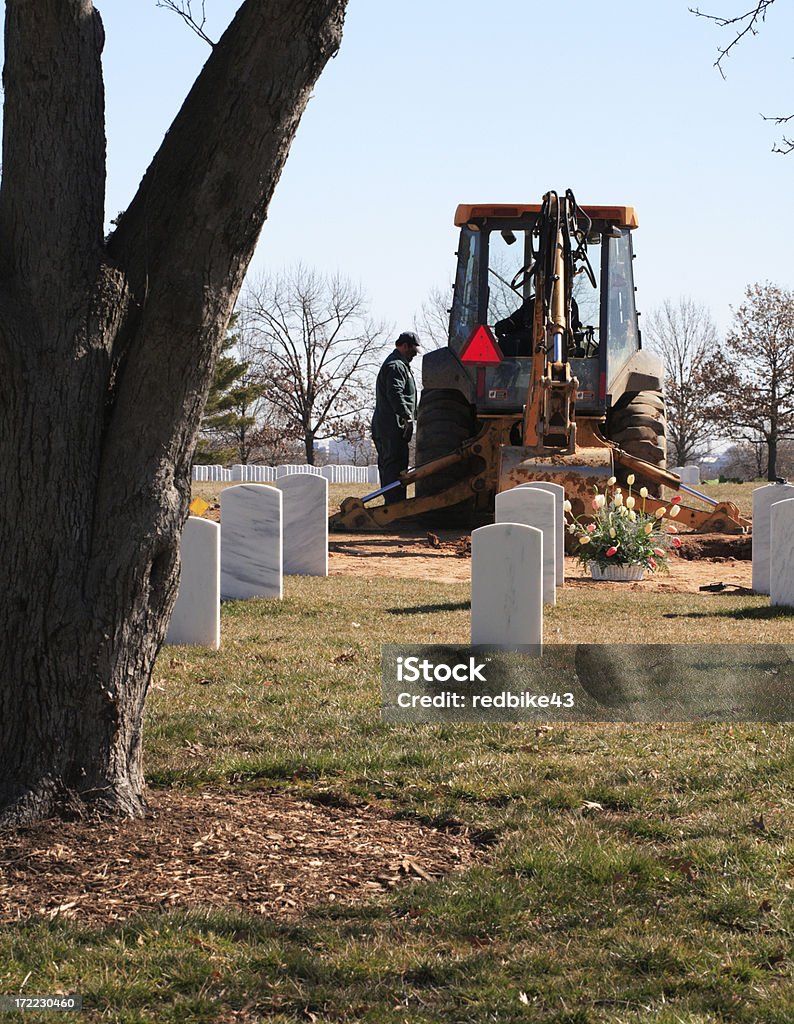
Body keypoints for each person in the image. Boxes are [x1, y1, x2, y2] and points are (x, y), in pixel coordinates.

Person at [371, 331, 420, 503]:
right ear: (404, 346)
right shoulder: (395, 366)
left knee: (397, 467)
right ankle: (393, 507)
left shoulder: (401, 365)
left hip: (393, 426)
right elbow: (395, 393)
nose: (413, 355)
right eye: (412, 351)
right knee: (392, 467)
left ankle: (395, 506)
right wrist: (407, 417)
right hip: (390, 426)